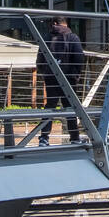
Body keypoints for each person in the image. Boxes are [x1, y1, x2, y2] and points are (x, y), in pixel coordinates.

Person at [37, 16, 84, 146]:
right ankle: (74, 137)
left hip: (51, 77)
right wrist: (75, 75)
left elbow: (40, 58)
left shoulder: (46, 38)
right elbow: (79, 58)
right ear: (65, 24)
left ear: (55, 23)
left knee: (50, 106)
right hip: (68, 78)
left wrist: (45, 72)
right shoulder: (73, 37)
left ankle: (44, 138)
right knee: (70, 107)